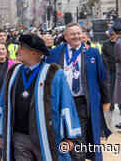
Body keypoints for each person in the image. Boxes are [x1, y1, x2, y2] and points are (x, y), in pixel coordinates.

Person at [0, 34, 82, 161]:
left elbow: (66, 105)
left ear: (33, 53)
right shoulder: (13, 72)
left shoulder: (54, 74)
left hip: (45, 137)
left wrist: (69, 138)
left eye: (21, 47)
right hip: (19, 136)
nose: (18, 51)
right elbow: (2, 103)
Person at [46, 23, 111, 161]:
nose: (76, 36)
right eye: (72, 34)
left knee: (78, 137)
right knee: (62, 135)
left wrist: (106, 100)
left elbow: (102, 78)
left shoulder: (92, 52)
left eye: (78, 33)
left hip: (82, 102)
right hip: (61, 103)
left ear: (82, 35)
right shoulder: (54, 53)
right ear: (65, 37)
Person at [101, 28, 118, 111]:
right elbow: (103, 56)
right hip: (109, 69)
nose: (111, 36)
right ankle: (111, 105)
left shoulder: (119, 43)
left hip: (119, 69)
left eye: (113, 35)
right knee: (110, 87)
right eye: (110, 35)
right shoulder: (105, 44)